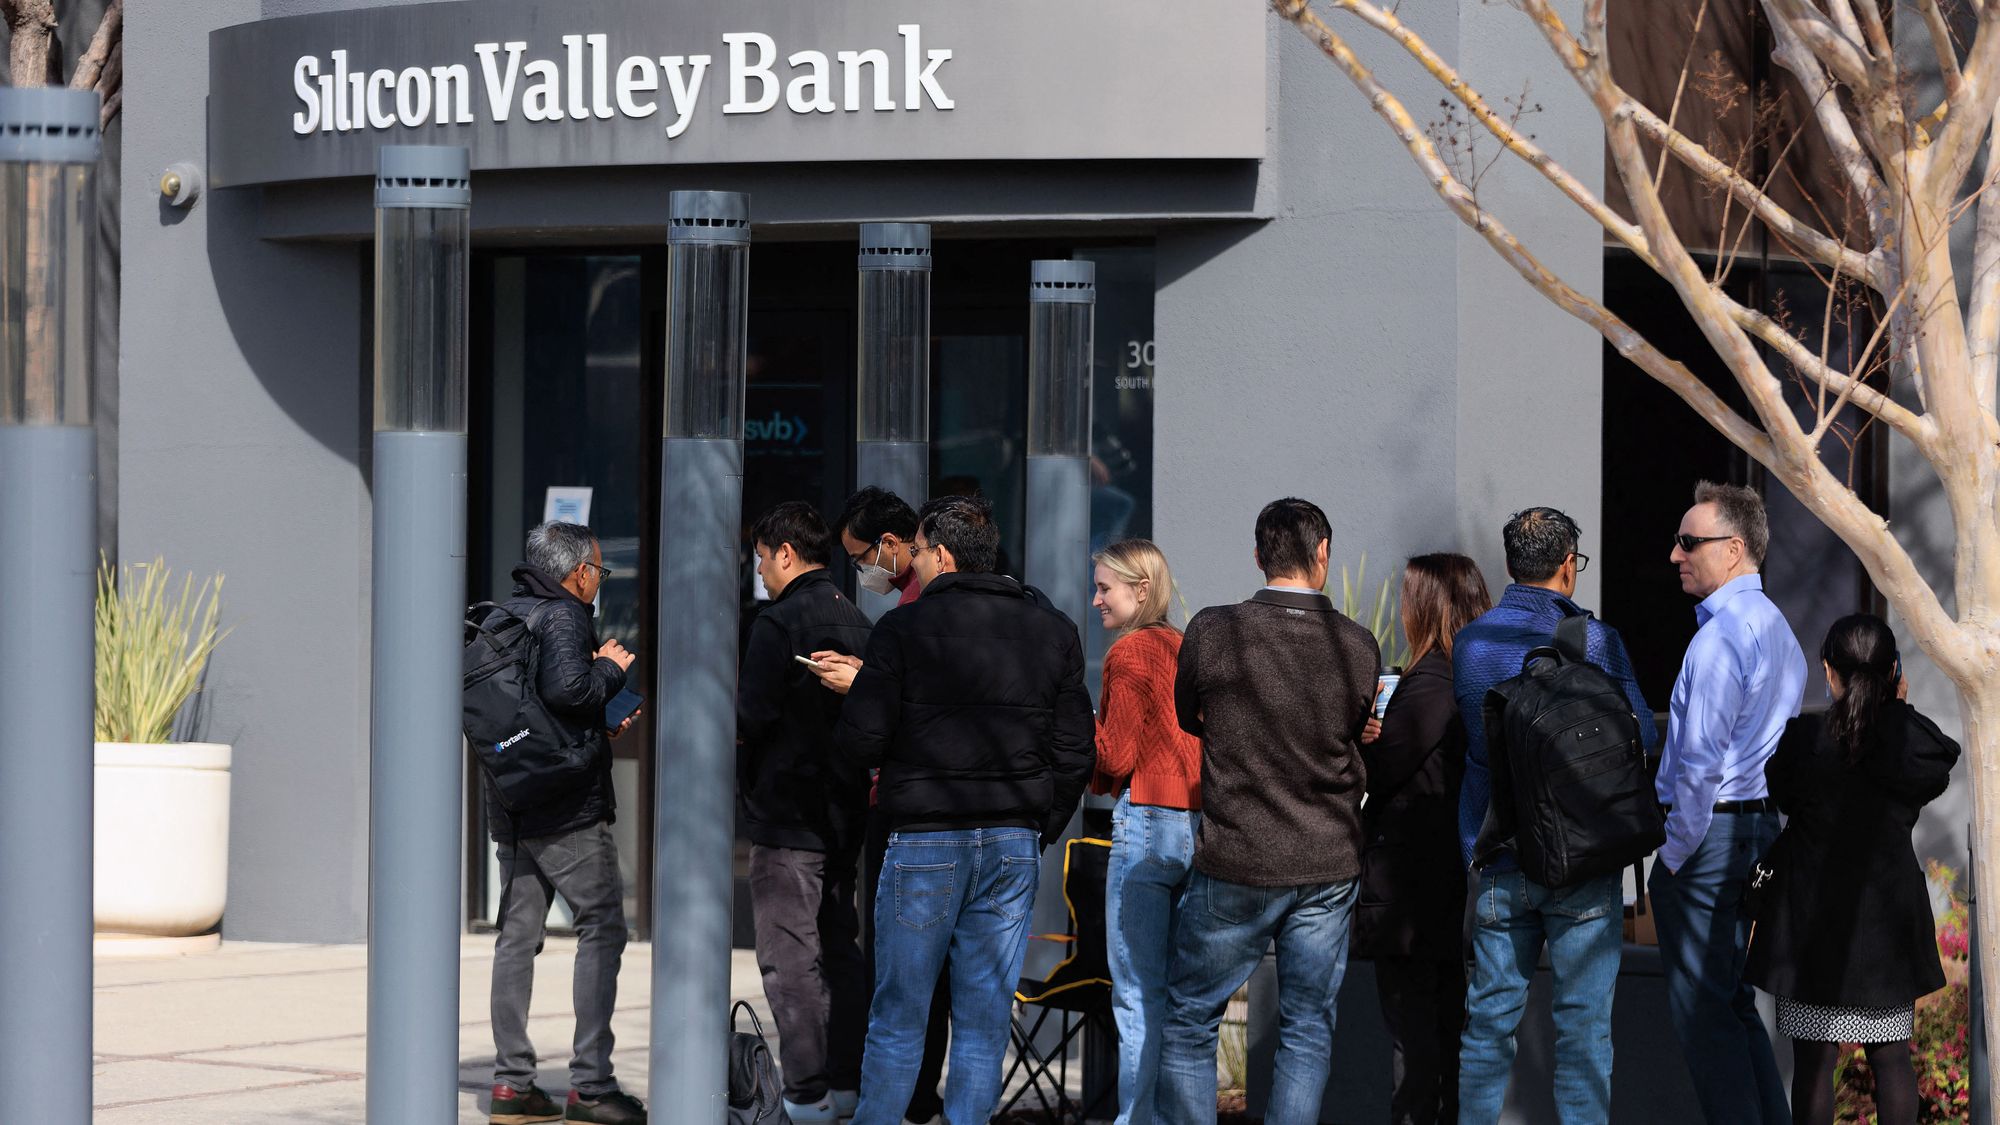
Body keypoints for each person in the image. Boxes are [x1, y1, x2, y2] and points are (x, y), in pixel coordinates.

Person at [836, 494, 1095, 1125]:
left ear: (944, 555)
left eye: (918, 551)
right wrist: (1038, 826)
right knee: (983, 1018)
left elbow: (860, 739)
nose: (913, 563)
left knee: (900, 1014)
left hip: (925, 836)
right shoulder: (1053, 628)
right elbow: (1076, 750)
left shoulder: (903, 628)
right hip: (1011, 838)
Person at [1157, 497, 1379, 1125]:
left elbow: (1186, 717)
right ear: (1323, 554)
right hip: (1327, 861)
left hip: (1237, 855)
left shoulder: (1213, 629)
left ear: (1258, 556)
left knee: (1191, 1018)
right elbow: (1355, 728)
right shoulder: (1358, 646)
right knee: (1306, 1030)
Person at [1453, 507, 1656, 1125]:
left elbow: (1476, 740)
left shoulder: (1472, 643)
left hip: (1498, 853)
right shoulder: (1596, 642)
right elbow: (1641, 735)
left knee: (1487, 1025)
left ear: (1512, 565)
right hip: (1581, 861)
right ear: (1569, 566)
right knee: (1584, 1032)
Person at [1745, 614, 1959, 1125]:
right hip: (1885, 924)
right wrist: (1897, 711)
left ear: (1828, 670)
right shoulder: (1904, 741)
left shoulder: (1804, 739)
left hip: (1810, 922)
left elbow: (1781, 791)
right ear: (1893, 674)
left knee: (1814, 1065)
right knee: (1891, 1059)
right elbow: (1937, 759)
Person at [1651, 481, 1806, 1125]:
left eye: (1690, 542)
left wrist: (1673, 854)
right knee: (1734, 1007)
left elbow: (1698, 764)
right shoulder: (1778, 629)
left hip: (1709, 836)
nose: (1675, 554)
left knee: (1706, 1018)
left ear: (1735, 548)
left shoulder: (1717, 642)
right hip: (1754, 830)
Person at [485, 521, 646, 1125]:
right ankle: (591, 1085)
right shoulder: (563, 615)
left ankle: (511, 1084)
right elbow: (570, 689)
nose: (599, 581)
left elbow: (543, 708)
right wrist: (610, 669)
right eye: (599, 572)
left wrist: (596, 719)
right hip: (565, 808)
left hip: (515, 799)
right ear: (578, 572)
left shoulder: (510, 613)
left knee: (517, 937)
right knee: (603, 927)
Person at [814, 485, 951, 1125]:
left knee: (902, 976)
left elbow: (908, 711)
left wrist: (858, 686)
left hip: (907, 809)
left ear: (896, 546)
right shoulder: (913, 606)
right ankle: (919, 1101)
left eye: (862, 556)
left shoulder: (916, 612)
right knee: (940, 979)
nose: (860, 571)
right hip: (944, 810)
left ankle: (901, 1104)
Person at [737, 502, 876, 1124]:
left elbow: (750, 719)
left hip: (788, 814)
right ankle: (845, 1084)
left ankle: (806, 1093)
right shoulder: (858, 621)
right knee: (838, 947)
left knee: (789, 957)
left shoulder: (778, 622)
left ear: (786, 553)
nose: (760, 571)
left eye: (763, 558)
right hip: (843, 814)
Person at [1353, 553, 1491, 1125]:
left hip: (1412, 889)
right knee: (1448, 1030)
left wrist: (1365, 743)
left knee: (1417, 1042)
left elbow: (1381, 772)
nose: (1402, 607)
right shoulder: (1474, 678)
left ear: (1429, 607)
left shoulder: (1432, 680)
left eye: (1409, 597)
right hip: (1451, 882)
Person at [1088, 539, 1202, 1125]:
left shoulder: (1128, 654)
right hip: (1195, 825)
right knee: (1182, 1000)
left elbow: (1115, 753)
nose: (1095, 599)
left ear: (1140, 590)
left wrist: (1082, 726)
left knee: (1135, 996)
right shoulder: (1185, 648)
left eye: (1105, 588)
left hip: (1147, 826)